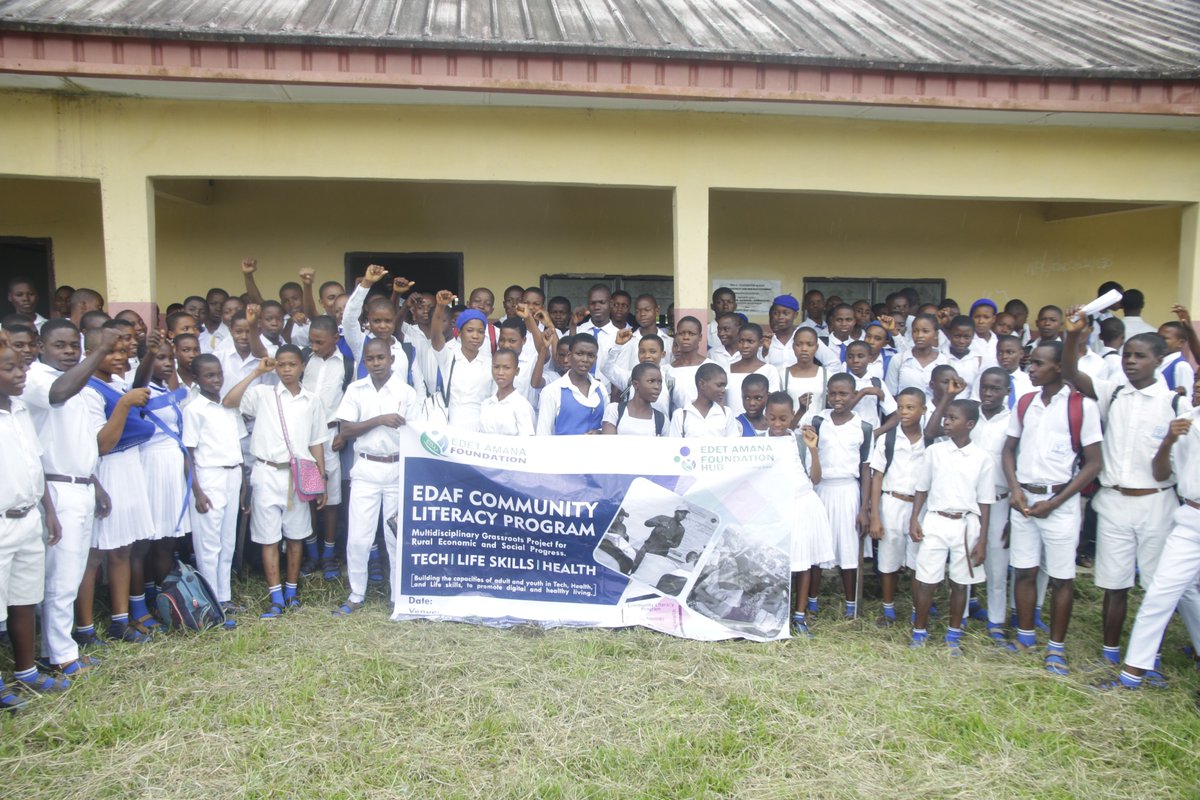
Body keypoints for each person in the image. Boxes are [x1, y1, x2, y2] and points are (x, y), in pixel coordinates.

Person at [1061, 310, 1193, 674]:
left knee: (1156, 588)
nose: (1131, 362)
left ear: (1159, 360)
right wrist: (1073, 336)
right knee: (1113, 583)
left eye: (1140, 356)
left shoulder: (1174, 404)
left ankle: (1151, 656)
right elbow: (1071, 374)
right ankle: (1110, 650)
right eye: (1127, 355)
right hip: (1115, 500)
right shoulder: (1114, 391)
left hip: (1157, 502)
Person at [1002, 340, 1103, 675]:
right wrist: (1015, 489)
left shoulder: (1081, 406)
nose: (1031, 369)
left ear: (1059, 367)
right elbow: (1008, 450)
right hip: (1025, 500)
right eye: (1030, 363)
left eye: (1038, 364)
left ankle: (1056, 648)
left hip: (1060, 501)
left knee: (1061, 577)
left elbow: (1093, 463)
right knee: (1025, 570)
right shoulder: (1026, 403)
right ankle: (1026, 636)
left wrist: (1057, 501)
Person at [26, 320, 114, 669]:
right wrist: (102, 351)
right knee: (60, 578)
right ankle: (60, 656)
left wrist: (95, 484)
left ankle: (56, 650)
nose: (67, 352)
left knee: (71, 574)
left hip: (81, 484)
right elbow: (57, 394)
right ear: (40, 347)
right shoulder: (36, 378)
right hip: (55, 488)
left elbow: (85, 443)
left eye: (73, 347)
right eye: (59, 346)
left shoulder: (82, 386)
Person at [1103, 375, 1200, 690]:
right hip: (1190, 517)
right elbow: (1161, 473)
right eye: (1198, 380)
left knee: (1188, 594)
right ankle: (1132, 676)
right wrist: (1169, 440)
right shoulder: (1184, 420)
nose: (1198, 386)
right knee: (1160, 594)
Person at [224, 347, 329, 618]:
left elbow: (317, 441)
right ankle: (276, 596)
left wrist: (321, 480)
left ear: (302, 366)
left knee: (296, 537)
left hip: (297, 476)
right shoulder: (263, 394)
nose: (286, 370)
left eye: (291, 364)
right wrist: (257, 372)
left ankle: (292, 591)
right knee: (268, 538)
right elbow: (229, 401)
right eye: (281, 365)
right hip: (266, 473)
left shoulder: (312, 400)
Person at [0, 330, 65, 708]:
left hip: (28, 519)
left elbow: (34, 464)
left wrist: (49, 512)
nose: (21, 373)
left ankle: (26, 672)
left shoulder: (20, 409)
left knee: (25, 600)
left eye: (21, 366)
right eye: (9, 368)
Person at [332, 338, 419, 616]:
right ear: (364, 362)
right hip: (366, 469)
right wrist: (380, 419)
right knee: (359, 536)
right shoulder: (356, 390)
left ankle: (397, 596)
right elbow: (345, 430)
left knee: (395, 537)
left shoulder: (407, 393)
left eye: (381, 357)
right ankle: (357, 593)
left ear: (391, 359)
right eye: (370, 359)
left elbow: (416, 433)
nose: (376, 363)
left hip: (396, 468)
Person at [81, 324, 156, 643]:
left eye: (123, 352)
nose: (118, 357)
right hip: (107, 470)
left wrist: (149, 354)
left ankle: (119, 619)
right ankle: (84, 628)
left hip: (129, 469)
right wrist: (125, 405)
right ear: (91, 353)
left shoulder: (115, 382)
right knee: (96, 554)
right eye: (110, 351)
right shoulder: (87, 390)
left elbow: (137, 385)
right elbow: (101, 444)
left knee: (123, 549)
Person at [909, 399, 994, 652]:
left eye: (953, 418)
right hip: (935, 520)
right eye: (945, 417)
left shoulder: (982, 458)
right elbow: (921, 488)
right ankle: (919, 631)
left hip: (966, 523)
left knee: (960, 582)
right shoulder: (935, 452)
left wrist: (982, 541)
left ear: (969, 424)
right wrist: (915, 518)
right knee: (926, 578)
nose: (946, 422)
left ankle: (953, 634)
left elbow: (986, 502)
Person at [182, 353, 245, 620]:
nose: (216, 379)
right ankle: (209, 604)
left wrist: (243, 485)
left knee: (227, 541)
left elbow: (238, 444)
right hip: (208, 477)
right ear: (196, 378)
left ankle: (224, 598)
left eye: (218, 374)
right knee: (209, 544)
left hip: (233, 474)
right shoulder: (193, 410)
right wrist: (197, 491)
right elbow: (188, 453)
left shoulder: (229, 405)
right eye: (209, 375)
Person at [806, 372, 872, 619]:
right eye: (832, 393)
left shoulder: (863, 427)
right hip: (822, 490)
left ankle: (850, 604)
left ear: (854, 395)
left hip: (848, 491)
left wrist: (865, 508)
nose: (837, 398)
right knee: (817, 548)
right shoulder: (819, 422)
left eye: (843, 393)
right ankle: (811, 602)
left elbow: (866, 468)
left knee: (848, 549)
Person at [761, 393, 826, 637]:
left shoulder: (799, 441)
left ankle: (799, 617)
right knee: (778, 563)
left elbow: (816, 478)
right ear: (766, 416)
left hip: (802, 505)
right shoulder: (757, 443)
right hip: (775, 510)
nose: (777, 424)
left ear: (792, 418)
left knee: (803, 563)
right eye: (772, 418)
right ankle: (778, 614)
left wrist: (814, 450)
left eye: (783, 419)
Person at [867, 387, 927, 626]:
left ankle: (917, 608)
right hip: (892, 502)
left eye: (910, 407)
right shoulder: (888, 438)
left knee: (917, 560)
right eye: (900, 407)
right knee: (889, 560)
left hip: (920, 506)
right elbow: (877, 476)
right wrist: (874, 516)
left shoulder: (930, 440)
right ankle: (888, 609)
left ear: (923, 410)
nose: (904, 412)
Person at [968, 368, 1018, 646]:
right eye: (984, 387)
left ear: (1006, 392)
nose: (987, 393)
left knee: (998, 566)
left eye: (995, 389)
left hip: (999, 501)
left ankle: (996, 622)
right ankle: (960, 616)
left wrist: (1013, 510)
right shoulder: (969, 416)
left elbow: (1016, 465)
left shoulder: (1012, 422)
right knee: (964, 561)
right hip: (968, 502)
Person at [299, 314, 349, 580]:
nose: (315, 347)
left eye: (320, 342)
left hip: (330, 437)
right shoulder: (305, 359)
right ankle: (312, 554)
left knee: (330, 500)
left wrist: (344, 432)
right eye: (312, 342)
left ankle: (329, 553)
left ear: (335, 339)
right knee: (307, 496)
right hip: (303, 438)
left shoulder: (346, 364)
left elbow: (351, 400)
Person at [431, 292, 494, 432]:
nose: (475, 336)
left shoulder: (490, 363)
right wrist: (440, 307)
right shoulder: (448, 357)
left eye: (480, 332)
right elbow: (436, 335)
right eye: (470, 330)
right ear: (459, 332)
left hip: (483, 428)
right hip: (452, 427)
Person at [537, 334, 606, 435]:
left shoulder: (600, 389)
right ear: (569, 356)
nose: (585, 360)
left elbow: (607, 427)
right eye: (579, 354)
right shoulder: (552, 391)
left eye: (590, 355)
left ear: (595, 359)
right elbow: (543, 434)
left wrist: (600, 432)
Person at [884, 313, 946, 402]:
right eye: (915, 331)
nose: (919, 335)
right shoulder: (899, 360)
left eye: (925, 331)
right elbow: (890, 395)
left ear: (936, 334)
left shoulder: (945, 361)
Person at [479, 348, 536, 436]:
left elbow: (527, 444)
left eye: (507, 368)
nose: (500, 372)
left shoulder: (521, 406)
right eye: (496, 367)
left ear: (516, 371)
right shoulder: (486, 404)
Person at [725, 323, 778, 416]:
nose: (745, 345)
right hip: (732, 424)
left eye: (750, 341)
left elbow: (773, 402)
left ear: (760, 343)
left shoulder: (769, 370)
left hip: (760, 426)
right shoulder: (727, 369)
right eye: (741, 341)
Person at [668, 362, 733, 438]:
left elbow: (733, 444)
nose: (723, 390)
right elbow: (675, 447)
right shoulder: (681, 415)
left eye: (724, 386)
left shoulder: (726, 413)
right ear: (702, 384)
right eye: (719, 385)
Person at [843, 340, 897, 431]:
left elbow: (895, 414)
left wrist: (877, 432)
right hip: (845, 434)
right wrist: (864, 392)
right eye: (850, 357)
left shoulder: (877, 383)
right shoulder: (841, 382)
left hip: (872, 434)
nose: (855, 360)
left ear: (869, 358)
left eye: (860, 356)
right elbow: (842, 411)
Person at [602, 361, 665, 436]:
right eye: (651, 381)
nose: (657, 387)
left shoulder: (662, 420)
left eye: (659, 382)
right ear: (635, 384)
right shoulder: (614, 410)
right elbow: (608, 445)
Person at [668, 317, 715, 412]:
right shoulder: (666, 370)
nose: (686, 337)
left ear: (700, 337)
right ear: (676, 336)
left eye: (691, 334)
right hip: (678, 424)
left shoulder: (712, 368)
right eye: (681, 333)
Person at [780, 327, 826, 425]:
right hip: (790, 430)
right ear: (793, 347)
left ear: (817, 347)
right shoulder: (783, 375)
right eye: (799, 344)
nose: (804, 349)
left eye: (809, 345)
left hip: (818, 431)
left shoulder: (826, 375)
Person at [944, 315, 983, 400]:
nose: (961, 341)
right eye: (957, 336)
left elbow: (977, 390)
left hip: (968, 406)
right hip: (943, 404)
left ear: (973, 336)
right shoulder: (940, 356)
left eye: (966, 337)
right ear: (949, 334)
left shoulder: (977, 359)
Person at [1158, 317, 1198, 395]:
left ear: (1180, 343)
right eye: (1158, 337)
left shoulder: (1181, 366)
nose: (1159, 341)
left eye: (1164, 338)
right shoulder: (1158, 362)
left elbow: (1186, 399)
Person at [765, 294, 801, 369]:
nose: (780, 317)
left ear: (795, 315)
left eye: (786, 313)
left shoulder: (804, 337)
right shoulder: (767, 341)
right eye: (776, 313)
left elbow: (831, 363)